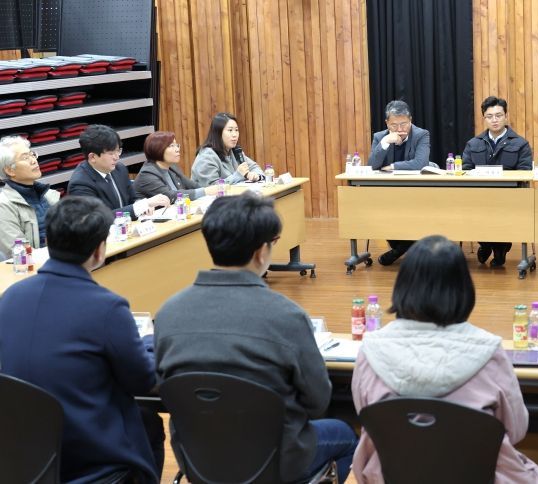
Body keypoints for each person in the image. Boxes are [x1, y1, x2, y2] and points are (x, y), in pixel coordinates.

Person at [154, 193, 357, 483]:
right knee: (346, 433)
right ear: (262, 251)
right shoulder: (286, 316)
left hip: (198, 459)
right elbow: (317, 400)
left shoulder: (167, 314)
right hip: (277, 461)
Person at [352, 235, 538, 484]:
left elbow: (366, 417)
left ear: (402, 286)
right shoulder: (489, 352)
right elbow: (516, 429)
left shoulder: (370, 350)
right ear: (463, 288)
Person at [0, 196, 164, 483]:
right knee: (149, 421)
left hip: (24, 449)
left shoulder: (10, 297)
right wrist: (150, 342)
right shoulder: (106, 307)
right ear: (99, 250)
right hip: (88, 452)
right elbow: (142, 379)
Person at [462, 96, 533, 267]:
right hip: (479, 197)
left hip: (509, 197)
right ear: (484, 118)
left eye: (498, 115)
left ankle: (500, 248)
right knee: (469, 208)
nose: (494, 120)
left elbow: (525, 173)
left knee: (500, 210)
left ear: (506, 116)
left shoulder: (521, 144)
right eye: (490, 116)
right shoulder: (473, 144)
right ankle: (487, 244)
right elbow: (465, 170)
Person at [368, 100, 431, 265]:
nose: (400, 129)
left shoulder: (421, 134)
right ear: (387, 123)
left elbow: (421, 163)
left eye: (404, 124)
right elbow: (372, 165)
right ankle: (403, 246)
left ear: (410, 120)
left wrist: (393, 166)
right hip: (389, 193)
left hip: (416, 192)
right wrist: (385, 142)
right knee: (381, 211)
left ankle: (401, 248)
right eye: (394, 125)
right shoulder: (380, 137)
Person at [68, 124, 170, 219]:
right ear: (92, 157)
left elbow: (133, 198)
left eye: (118, 151)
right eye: (111, 153)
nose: (117, 157)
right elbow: (98, 219)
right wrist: (142, 205)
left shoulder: (119, 169)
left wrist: (144, 206)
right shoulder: (80, 184)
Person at [0, 136, 59, 259]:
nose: (34, 161)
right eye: (25, 158)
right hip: (36, 266)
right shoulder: (4, 205)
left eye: (32, 154)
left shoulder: (49, 195)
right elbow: (20, 252)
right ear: (10, 170)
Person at [134, 131, 220, 203]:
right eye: (171, 146)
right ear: (157, 149)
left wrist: (211, 190)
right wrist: (205, 191)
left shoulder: (172, 167)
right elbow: (171, 196)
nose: (177, 149)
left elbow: (192, 185)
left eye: (177, 145)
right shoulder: (147, 174)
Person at [191, 112, 264, 186]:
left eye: (236, 130)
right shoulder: (206, 157)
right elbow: (212, 187)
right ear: (218, 133)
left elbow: (254, 167)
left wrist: (256, 176)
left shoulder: (235, 151)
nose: (234, 135)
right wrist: (238, 175)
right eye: (230, 130)